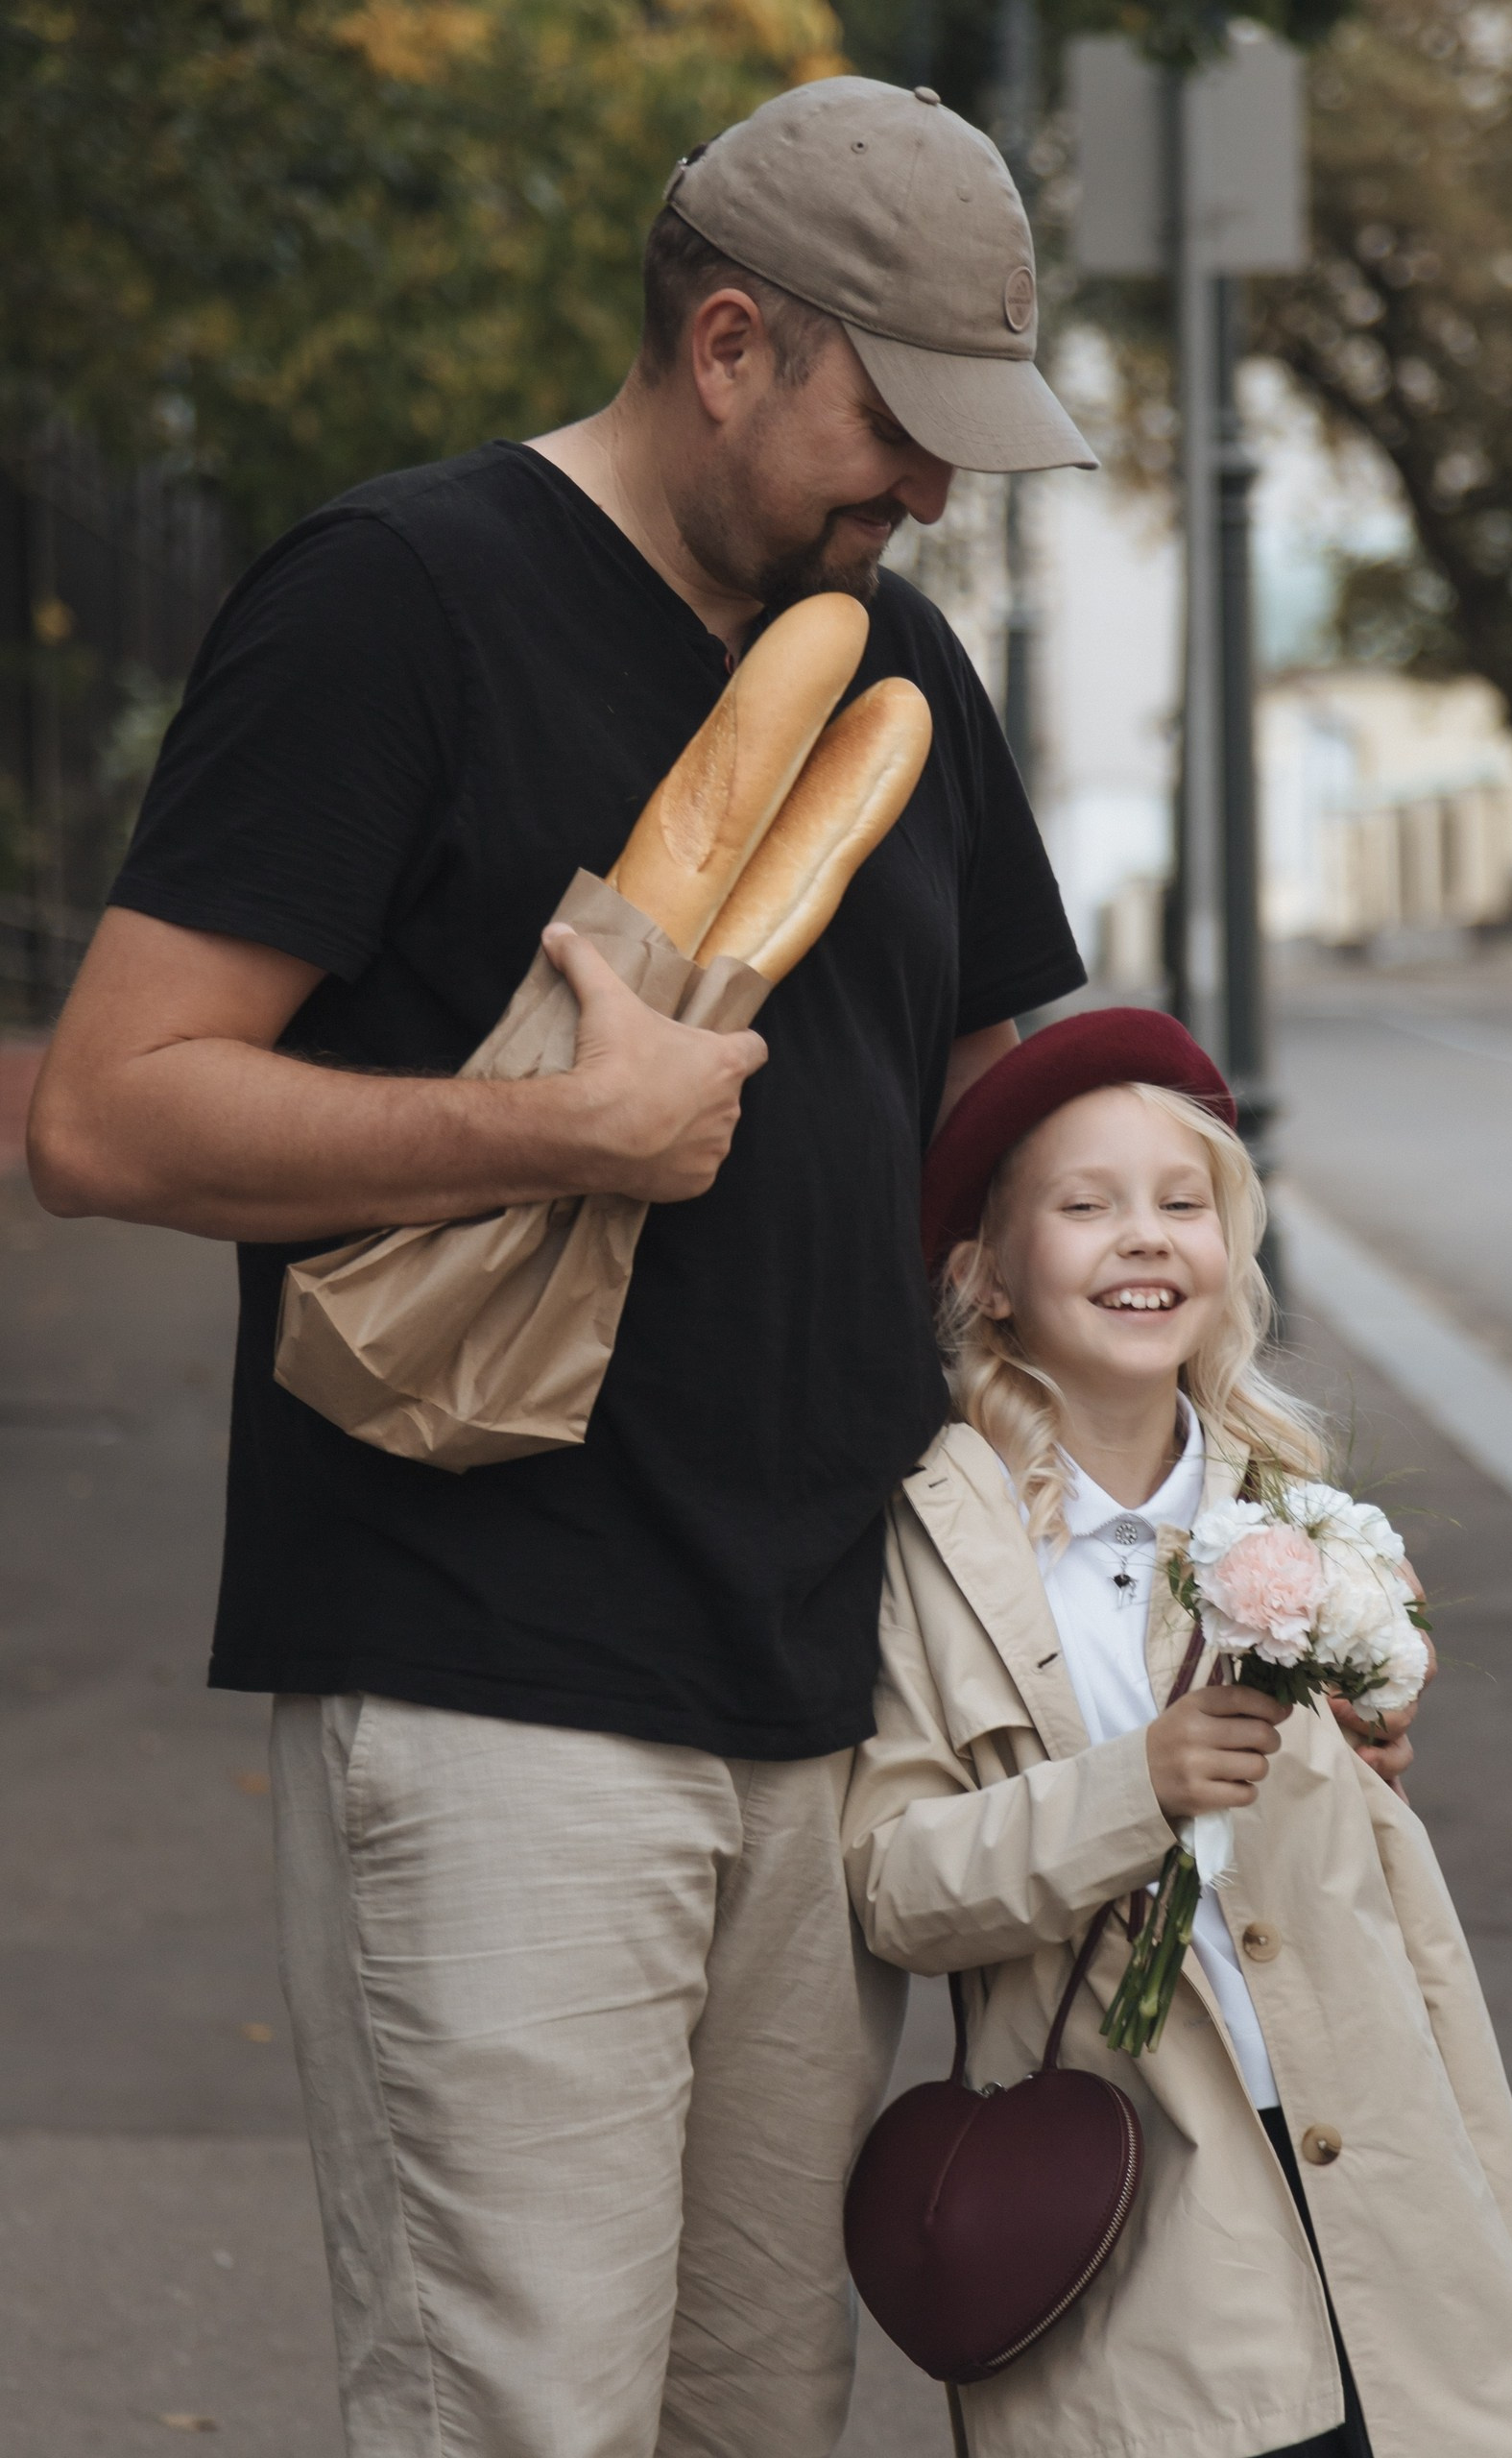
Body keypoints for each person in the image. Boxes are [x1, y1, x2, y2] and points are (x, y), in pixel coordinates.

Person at [26, 77, 1111, 2458]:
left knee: (756, 2408)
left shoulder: (898, 663)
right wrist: (555, 1125)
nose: (925, 491)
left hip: (830, 1683)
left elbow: (979, 1125)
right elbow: (103, 1110)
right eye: (890, 425)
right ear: (727, 343)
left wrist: (1178, 1508)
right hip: (491, 1669)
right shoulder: (393, 597)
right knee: (523, 2411)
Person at [842, 1008, 1512, 2458]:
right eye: (1087, 1204)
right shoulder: (930, 1549)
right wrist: (1140, 1787)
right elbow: (892, 1884)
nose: (1144, 1238)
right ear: (986, 1277)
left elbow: (1405, 1926)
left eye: (1183, 1205)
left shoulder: (1301, 1518)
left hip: (1382, 2180)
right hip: (1139, 2210)